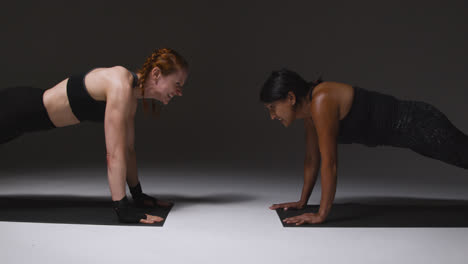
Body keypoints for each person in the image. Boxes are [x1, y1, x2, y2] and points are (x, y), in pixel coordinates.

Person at [0, 48, 189, 224]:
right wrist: (122, 208)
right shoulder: (119, 85)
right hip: (15, 110)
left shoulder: (130, 97)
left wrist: (138, 196)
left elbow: (128, 150)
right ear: (156, 74)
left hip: (24, 118)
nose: (179, 92)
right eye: (177, 83)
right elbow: (114, 154)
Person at [260, 69, 468, 225]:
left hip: (420, 123)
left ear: (290, 98)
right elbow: (312, 160)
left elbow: (330, 163)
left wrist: (321, 214)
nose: (272, 116)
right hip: (412, 136)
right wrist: (302, 201)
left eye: (272, 108)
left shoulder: (322, 100)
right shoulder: (310, 115)